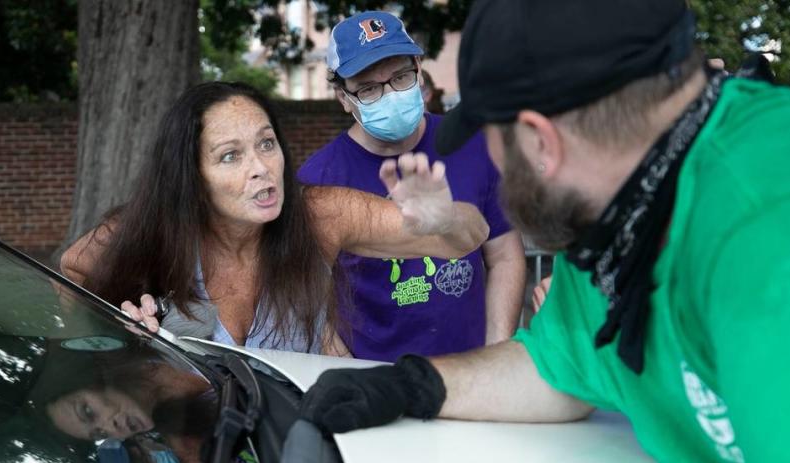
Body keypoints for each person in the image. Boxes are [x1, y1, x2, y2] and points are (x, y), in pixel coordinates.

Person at [299, 1, 790, 463]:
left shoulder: (785, 233)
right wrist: (415, 383)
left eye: (489, 137)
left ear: (540, 141)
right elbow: (558, 364)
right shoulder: (628, 195)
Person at [61, 81, 488, 355]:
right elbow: (71, 271)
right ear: (190, 177)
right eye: (230, 156)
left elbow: (468, 237)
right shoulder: (149, 233)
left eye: (266, 144)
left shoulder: (321, 214)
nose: (261, 167)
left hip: (297, 457)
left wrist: (442, 218)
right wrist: (113, 333)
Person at [298, 11, 526, 361]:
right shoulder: (319, 180)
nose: (390, 95)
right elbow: (308, 294)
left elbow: (505, 255)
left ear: (419, 70)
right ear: (344, 98)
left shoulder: (473, 145)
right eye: (369, 88)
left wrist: (494, 355)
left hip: (469, 373)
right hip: (373, 377)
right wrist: (348, 374)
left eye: (401, 77)